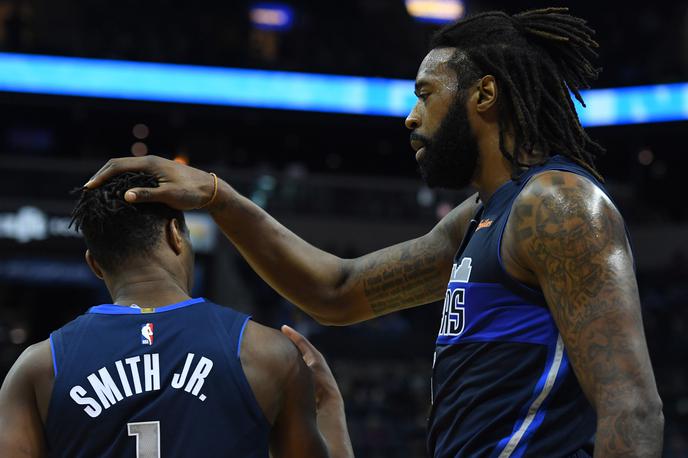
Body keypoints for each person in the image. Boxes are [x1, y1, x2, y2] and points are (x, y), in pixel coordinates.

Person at [83, 7, 664, 457]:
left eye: (425, 94)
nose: (411, 117)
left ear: (484, 94)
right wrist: (217, 195)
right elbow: (337, 290)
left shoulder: (558, 206)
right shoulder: (483, 215)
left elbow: (631, 409)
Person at [0, 172, 353, 458]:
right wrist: (331, 409)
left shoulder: (37, 368)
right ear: (176, 235)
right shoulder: (269, 354)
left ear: (94, 264)